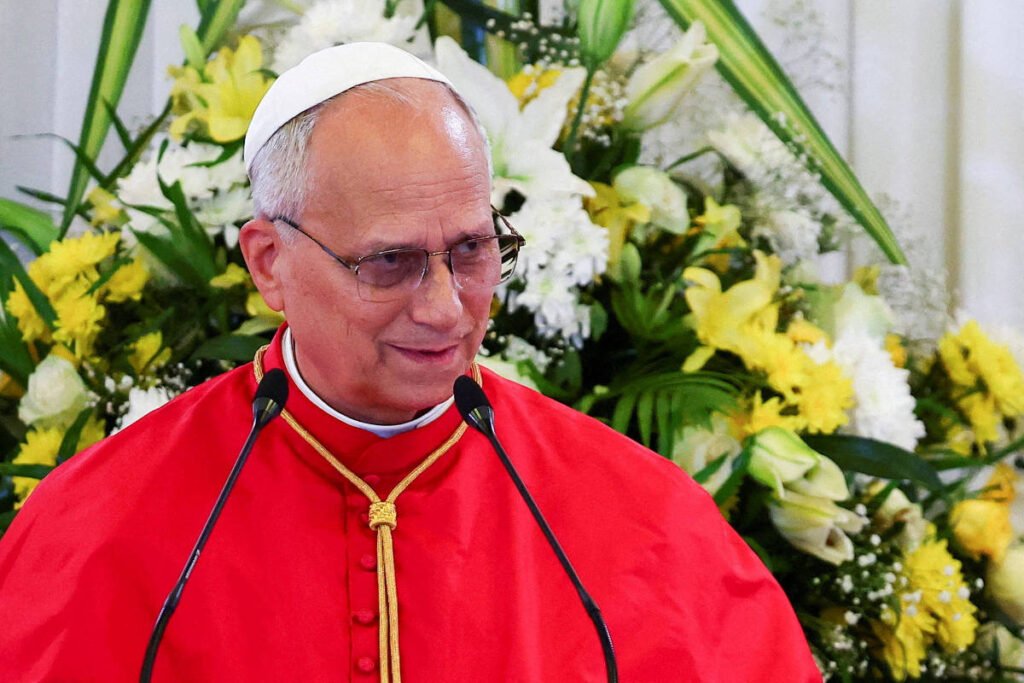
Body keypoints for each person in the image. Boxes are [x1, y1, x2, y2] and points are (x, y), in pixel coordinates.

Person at [0, 43, 822, 682]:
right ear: (268, 263)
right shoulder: (102, 526)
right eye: (388, 262)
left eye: (471, 250)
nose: (443, 306)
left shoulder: (645, 519)